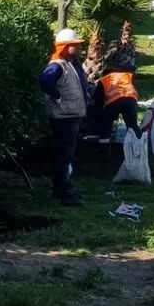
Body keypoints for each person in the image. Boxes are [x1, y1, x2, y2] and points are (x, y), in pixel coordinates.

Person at [38, 29, 90, 206]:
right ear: (66, 47)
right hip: (63, 118)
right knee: (63, 155)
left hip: (71, 117)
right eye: (76, 45)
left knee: (64, 155)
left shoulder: (71, 64)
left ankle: (60, 188)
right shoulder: (57, 65)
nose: (80, 48)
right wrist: (57, 96)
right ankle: (65, 193)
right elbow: (45, 81)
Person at [96, 67, 140, 143]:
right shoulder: (126, 75)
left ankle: (104, 147)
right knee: (132, 125)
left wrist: (99, 114)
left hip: (115, 101)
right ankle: (138, 146)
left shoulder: (104, 79)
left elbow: (98, 101)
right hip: (131, 99)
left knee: (106, 123)